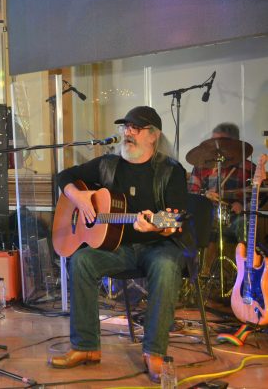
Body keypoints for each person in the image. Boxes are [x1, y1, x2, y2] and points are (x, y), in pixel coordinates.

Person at [52, 106, 187, 383]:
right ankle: (86, 347)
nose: (128, 132)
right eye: (126, 127)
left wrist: (156, 226)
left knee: (165, 265)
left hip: (158, 246)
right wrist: (79, 199)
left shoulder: (171, 171)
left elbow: (175, 220)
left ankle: (154, 352)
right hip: (119, 248)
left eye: (135, 128)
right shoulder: (108, 164)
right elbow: (63, 176)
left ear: (153, 135)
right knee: (82, 260)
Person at [188, 123, 255, 246]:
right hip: (207, 215)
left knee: (245, 225)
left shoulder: (248, 167)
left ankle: (243, 257)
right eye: (214, 143)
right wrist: (205, 194)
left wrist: (242, 205)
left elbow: (257, 197)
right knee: (188, 224)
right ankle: (198, 258)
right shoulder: (201, 166)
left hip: (236, 217)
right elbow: (192, 193)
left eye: (221, 143)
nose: (217, 147)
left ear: (234, 144)